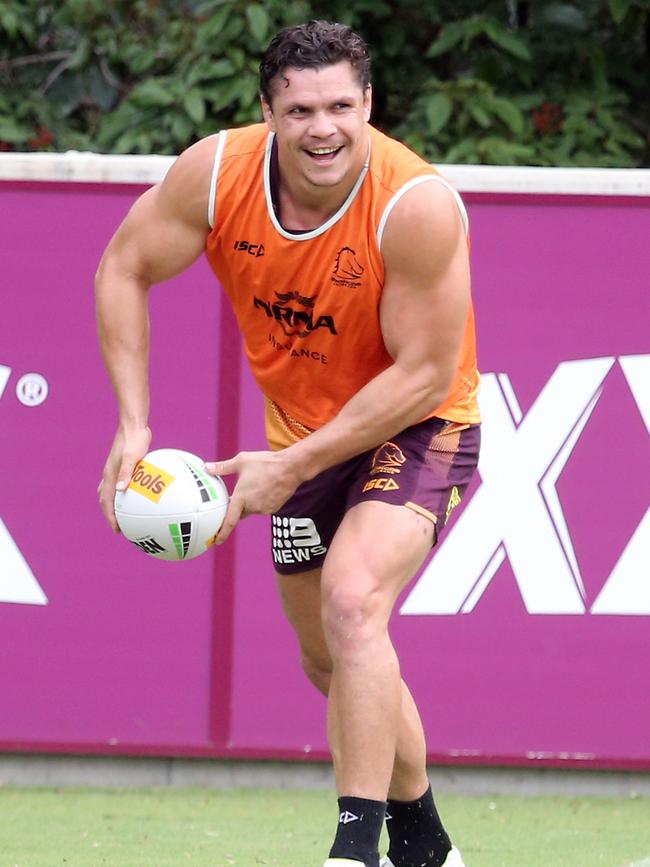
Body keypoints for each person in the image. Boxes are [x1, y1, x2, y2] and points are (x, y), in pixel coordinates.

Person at [96, 20, 480, 867]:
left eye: (343, 105)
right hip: (302, 432)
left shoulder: (415, 207)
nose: (324, 128)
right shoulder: (217, 174)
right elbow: (123, 267)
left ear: (369, 103)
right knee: (329, 659)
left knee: (353, 602)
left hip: (422, 423)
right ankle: (426, 844)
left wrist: (294, 466)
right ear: (267, 111)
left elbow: (422, 375)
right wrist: (134, 423)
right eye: (301, 108)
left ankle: (354, 851)